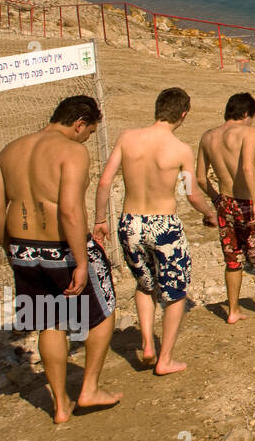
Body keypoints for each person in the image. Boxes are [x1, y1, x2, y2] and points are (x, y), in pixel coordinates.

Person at [0, 96, 120, 422]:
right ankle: (89, 388)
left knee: (49, 320)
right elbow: (70, 210)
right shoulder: (72, 152)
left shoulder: (10, 149)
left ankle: (60, 405)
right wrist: (81, 261)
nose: (86, 139)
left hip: (21, 248)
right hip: (63, 248)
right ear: (79, 124)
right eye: (88, 133)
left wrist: (11, 251)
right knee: (103, 311)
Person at [93, 88, 217, 375]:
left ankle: (147, 343)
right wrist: (210, 213)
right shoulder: (181, 150)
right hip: (164, 225)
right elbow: (191, 194)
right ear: (183, 114)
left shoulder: (127, 138)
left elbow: (104, 183)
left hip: (130, 222)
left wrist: (101, 219)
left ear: (157, 108)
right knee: (175, 292)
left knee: (145, 284)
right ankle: (165, 358)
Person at [196, 93, 255, 322]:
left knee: (233, 258)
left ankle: (233, 311)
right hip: (248, 201)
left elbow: (200, 178)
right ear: (246, 114)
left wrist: (217, 199)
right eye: (252, 117)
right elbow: (248, 169)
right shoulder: (248, 133)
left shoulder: (208, 137)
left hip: (225, 202)